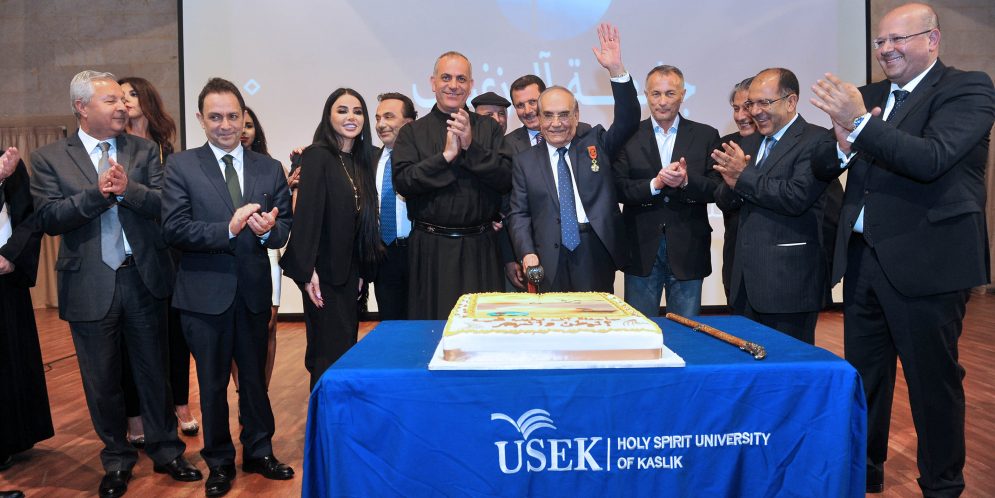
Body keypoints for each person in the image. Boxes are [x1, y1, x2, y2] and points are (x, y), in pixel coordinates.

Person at [809, 3, 995, 494]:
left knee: (932, 382)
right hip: (864, 259)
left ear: (932, 40)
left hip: (928, 261)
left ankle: (942, 484)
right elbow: (823, 164)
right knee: (864, 378)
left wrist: (860, 123)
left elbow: (931, 158)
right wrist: (841, 143)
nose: (886, 49)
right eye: (880, 41)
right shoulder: (869, 96)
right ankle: (865, 472)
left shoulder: (967, 89)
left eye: (899, 39)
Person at [30, 70, 201, 497]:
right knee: (102, 380)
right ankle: (117, 459)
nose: (123, 106)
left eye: (122, 101)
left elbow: (164, 204)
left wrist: (127, 190)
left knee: (154, 372)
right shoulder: (49, 158)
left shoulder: (143, 150)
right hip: (89, 284)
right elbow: (48, 218)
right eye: (111, 101)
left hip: (143, 278)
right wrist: (98, 193)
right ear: (81, 108)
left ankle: (166, 451)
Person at [162, 77, 294, 497]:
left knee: (254, 381)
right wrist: (229, 229)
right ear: (200, 119)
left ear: (244, 117)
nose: (225, 125)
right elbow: (173, 228)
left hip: (253, 294)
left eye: (232, 116)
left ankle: (259, 451)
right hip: (203, 297)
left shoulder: (268, 167)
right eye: (215, 117)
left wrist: (267, 230)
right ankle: (218, 461)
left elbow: (284, 227)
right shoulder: (181, 166)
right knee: (213, 384)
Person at [507, 22, 639, 292]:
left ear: (576, 115)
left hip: (594, 251)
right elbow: (519, 214)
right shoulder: (525, 162)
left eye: (564, 114)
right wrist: (526, 252)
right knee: (553, 318)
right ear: (539, 118)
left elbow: (628, 120)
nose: (556, 123)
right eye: (548, 115)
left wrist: (616, 70)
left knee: (596, 316)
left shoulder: (595, 142)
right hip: (547, 256)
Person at [711, 68, 837, 345]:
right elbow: (725, 201)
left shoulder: (817, 140)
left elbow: (796, 196)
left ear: (791, 102)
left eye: (764, 103)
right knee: (746, 362)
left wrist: (743, 176)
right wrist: (731, 183)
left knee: (788, 364)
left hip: (788, 284)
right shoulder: (750, 142)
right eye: (751, 103)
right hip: (744, 281)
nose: (755, 111)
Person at [392, 51, 511, 319]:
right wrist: (445, 157)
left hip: (481, 247)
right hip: (430, 248)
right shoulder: (412, 132)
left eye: (461, 79)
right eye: (446, 78)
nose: (453, 85)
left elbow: (506, 178)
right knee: (431, 329)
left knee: (482, 326)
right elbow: (404, 182)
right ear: (433, 82)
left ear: (471, 85)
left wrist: (470, 146)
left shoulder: (488, 129)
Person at [281, 88, 382, 389]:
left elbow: (362, 223)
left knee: (345, 349)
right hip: (322, 275)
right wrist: (308, 272)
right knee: (326, 354)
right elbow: (307, 216)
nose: (351, 117)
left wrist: (361, 271)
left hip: (350, 274)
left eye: (357, 111)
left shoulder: (361, 161)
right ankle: (325, 416)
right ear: (328, 116)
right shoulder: (317, 156)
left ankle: (340, 413)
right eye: (342, 110)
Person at [117, 75, 199, 444]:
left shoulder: (169, 152)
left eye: (133, 94)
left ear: (148, 100)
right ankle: (135, 415)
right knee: (130, 342)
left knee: (175, 335)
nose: (126, 100)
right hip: (131, 254)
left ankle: (180, 404)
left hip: (170, 253)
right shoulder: (113, 149)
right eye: (120, 95)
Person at [615, 65, 721, 318]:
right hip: (640, 249)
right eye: (656, 94)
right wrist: (655, 184)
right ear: (646, 95)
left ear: (682, 95)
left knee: (686, 331)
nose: (662, 101)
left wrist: (686, 181)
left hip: (689, 248)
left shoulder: (706, 135)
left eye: (670, 93)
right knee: (641, 330)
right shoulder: (628, 135)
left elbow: (717, 188)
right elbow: (618, 188)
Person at [0, 147, 53, 472]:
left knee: (11, 358)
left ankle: (13, 437)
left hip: (4, 274)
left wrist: (11, 255)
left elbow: (30, 216)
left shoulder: (8, 161)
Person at [229, 106, 284, 396]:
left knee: (269, 325)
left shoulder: (271, 167)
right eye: (241, 123)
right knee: (234, 329)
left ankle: (261, 391)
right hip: (231, 256)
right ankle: (244, 392)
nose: (243, 130)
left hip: (267, 256)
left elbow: (284, 219)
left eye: (249, 125)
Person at [372, 92, 416, 320]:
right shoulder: (369, 160)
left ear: (408, 123)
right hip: (384, 255)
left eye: (389, 117)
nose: (381, 124)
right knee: (390, 325)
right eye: (378, 118)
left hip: (418, 252)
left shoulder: (423, 159)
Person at [717, 77, 756, 303]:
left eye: (747, 107)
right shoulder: (726, 147)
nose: (740, 116)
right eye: (736, 108)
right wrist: (733, 182)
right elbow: (721, 200)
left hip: (782, 269)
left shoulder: (792, 145)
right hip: (736, 262)